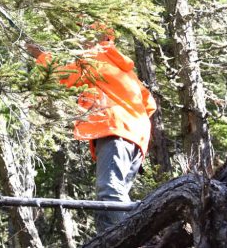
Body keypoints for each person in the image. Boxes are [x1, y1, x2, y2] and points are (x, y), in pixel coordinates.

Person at [26, 26, 157, 233]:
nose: (80, 40)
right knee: (113, 198)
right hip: (135, 136)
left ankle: (132, 239)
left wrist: (40, 55)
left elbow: (64, 76)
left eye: (85, 34)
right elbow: (149, 104)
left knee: (109, 192)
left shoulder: (95, 57)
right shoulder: (121, 65)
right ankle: (112, 239)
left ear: (100, 37)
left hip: (117, 131)